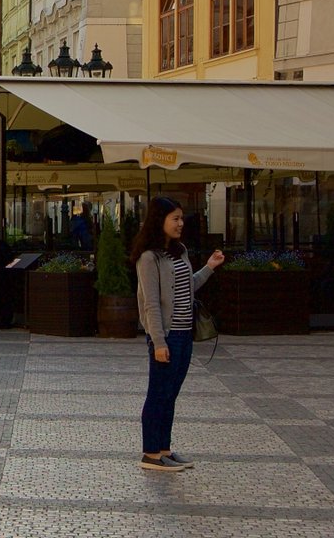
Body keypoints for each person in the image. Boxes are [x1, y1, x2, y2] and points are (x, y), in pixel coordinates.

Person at [133, 196, 225, 472]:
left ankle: (164, 449)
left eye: (181, 218)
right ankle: (150, 454)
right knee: (158, 394)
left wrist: (209, 267)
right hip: (166, 335)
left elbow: (188, 287)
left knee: (171, 394)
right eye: (175, 218)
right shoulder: (149, 258)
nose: (180, 223)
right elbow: (150, 303)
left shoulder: (179, 251)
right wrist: (158, 342)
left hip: (185, 334)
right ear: (159, 220)